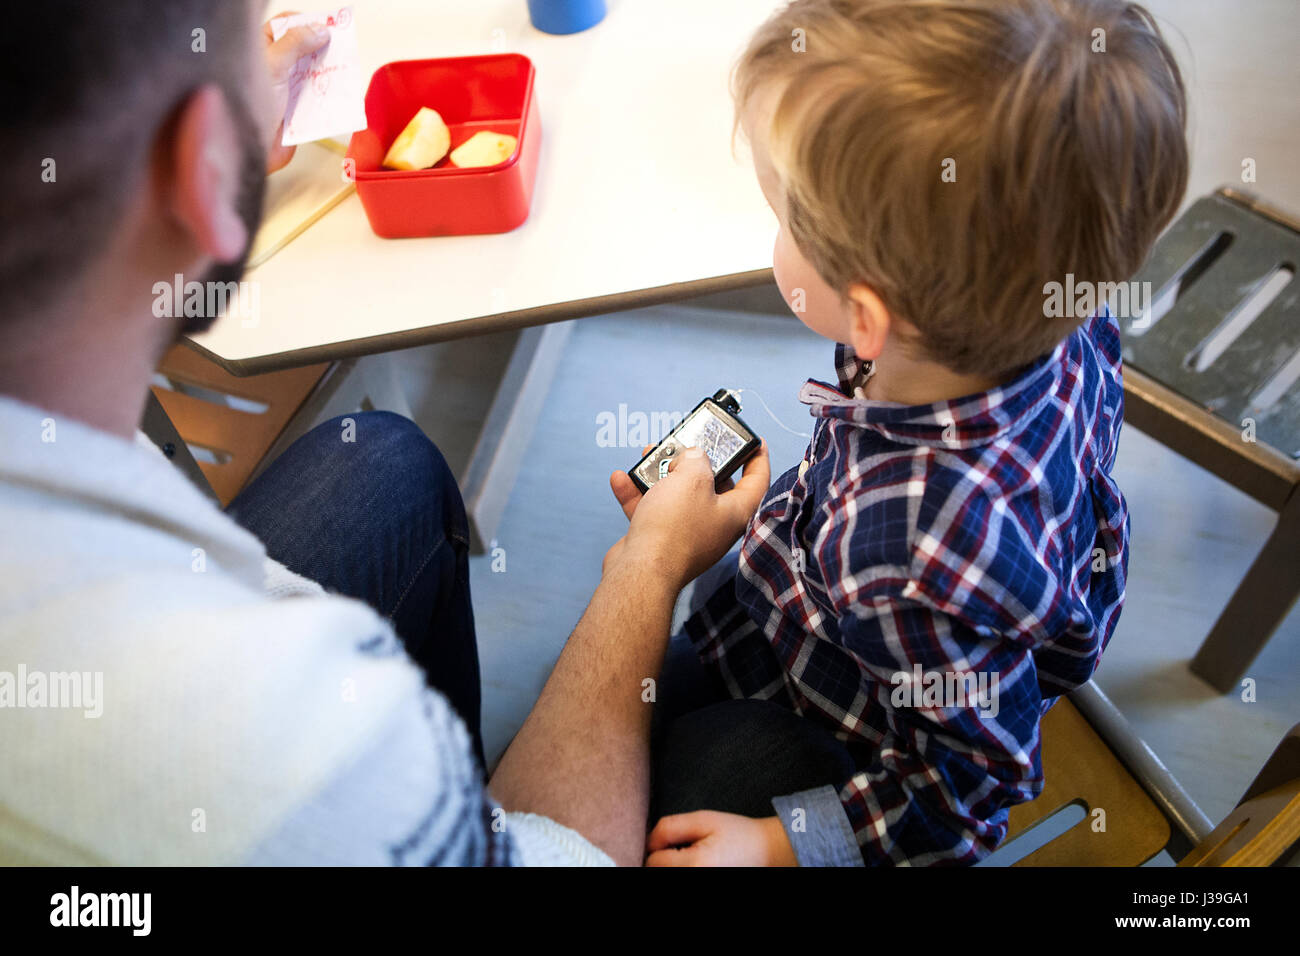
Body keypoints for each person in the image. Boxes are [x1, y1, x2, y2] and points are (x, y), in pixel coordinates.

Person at [0, 1, 770, 866]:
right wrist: (647, 567)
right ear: (203, 165)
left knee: (382, 459)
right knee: (742, 761)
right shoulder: (291, 766)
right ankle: (460, 818)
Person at [640, 0, 1189, 866]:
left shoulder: (904, 546)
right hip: (845, 605)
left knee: (700, 763)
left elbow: (967, 796)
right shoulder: (1046, 313)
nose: (774, 233)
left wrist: (785, 846)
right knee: (661, 682)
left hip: (858, 717)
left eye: (783, 218)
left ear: (865, 316)